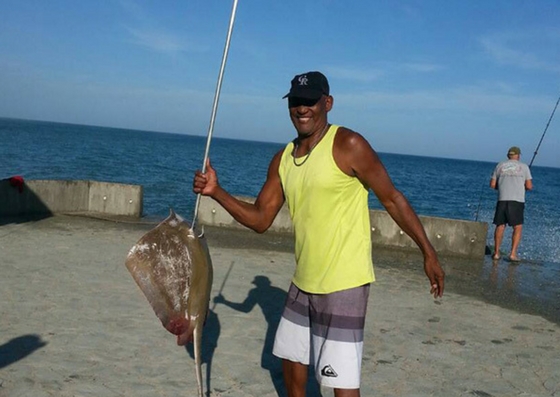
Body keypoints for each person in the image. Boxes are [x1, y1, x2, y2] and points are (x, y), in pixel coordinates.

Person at [193, 71, 445, 397]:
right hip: (302, 283)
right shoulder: (282, 159)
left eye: (310, 101)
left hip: (344, 284)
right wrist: (217, 191)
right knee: (292, 370)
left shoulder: (348, 144)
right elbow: (260, 219)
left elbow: (393, 199)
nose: (302, 108)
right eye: (296, 102)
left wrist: (428, 251)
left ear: (328, 103)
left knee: (340, 384)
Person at [490, 146, 533, 262]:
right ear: (518, 156)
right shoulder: (524, 167)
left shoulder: (499, 165)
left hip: (502, 199)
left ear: (508, 155)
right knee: (517, 227)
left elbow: (493, 185)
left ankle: (496, 253)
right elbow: (529, 186)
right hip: (517, 200)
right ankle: (513, 254)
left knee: (500, 225)